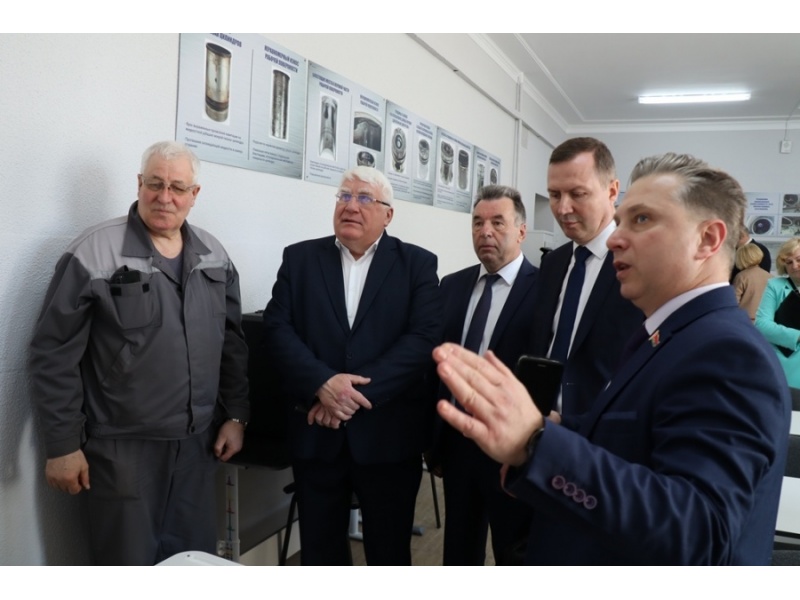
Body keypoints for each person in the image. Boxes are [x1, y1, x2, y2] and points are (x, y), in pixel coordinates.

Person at [435, 152, 790, 565]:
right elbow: (635, 438)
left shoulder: (729, 353)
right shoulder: (669, 335)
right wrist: (560, 428)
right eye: (620, 221)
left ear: (708, 239)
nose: (615, 239)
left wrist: (537, 444)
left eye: (641, 219)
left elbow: (700, 532)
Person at [28, 141, 250, 565]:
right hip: (121, 451)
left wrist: (236, 415)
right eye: (155, 183)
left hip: (197, 446)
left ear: (194, 194)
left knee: (192, 565)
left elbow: (232, 344)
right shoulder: (94, 251)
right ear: (139, 183)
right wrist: (61, 445)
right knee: (126, 566)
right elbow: (53, 352)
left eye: (177, 187)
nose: (165, 197)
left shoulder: (214, 256)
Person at [262, 166, 443, 566]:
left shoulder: (417, 265)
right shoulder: (300, 259)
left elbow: (422, 340)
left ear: (388, 214)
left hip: (387, 436)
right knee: (320, 554)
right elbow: (277, 328)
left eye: (364, 198)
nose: (351, 206)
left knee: (388, 555)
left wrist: (347, 395)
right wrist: (322, 383)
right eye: (344, 196)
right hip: (317, 435)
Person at [433, 185, 537, 565]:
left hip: (511, 447)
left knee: (513, 554)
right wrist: (435, 440)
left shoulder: (544, 289)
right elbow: (437, 366)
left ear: (521, 231)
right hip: (458, 444)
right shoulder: (452, 285)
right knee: (459, 551)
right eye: (477, 223)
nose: (485, 231)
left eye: (497, 222)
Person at [531, 137, 641, 416]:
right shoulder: (552, 263)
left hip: (603, 430)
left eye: (577, 194)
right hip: (541, 424)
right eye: (554, 195)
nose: (562, 208)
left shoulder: (639, 264)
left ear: (612, 191)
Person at [755, 237, 800, 388]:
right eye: (789, 262)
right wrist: (797, 336)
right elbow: (762, 325)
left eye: (799, 260)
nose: (794, 266)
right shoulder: (775, 286)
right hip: (784, 368)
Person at [733, 242, 771, 321]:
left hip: (745, 321)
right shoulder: (770, 277)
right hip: (766, 320)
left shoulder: (741, 277)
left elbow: (733, 302)